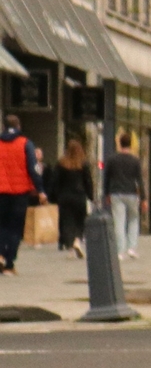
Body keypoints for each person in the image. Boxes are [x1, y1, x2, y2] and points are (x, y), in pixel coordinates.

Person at [0, 114, 42, 277]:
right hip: (20, 193)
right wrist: (40, 189)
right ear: (18, 127)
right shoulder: (26, 143)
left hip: (1, 192)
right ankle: (9, 263)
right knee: (15, 228)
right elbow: (33, 168)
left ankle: (0, 254)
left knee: (1, 225)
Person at [103, 131, 144, 259]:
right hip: (131, 193)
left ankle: (120, 251)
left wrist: (106, 194)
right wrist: (144, 198)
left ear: (119, 144)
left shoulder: (112, 160)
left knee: (119, 222)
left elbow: (107, 178)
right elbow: (139, 180)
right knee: (133, 220)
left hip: (116, 193)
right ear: (130, 144)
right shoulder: (135, 160)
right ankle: (131, 248)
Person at [47, 136, 91, 256]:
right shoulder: (83, 164)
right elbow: (88, 181)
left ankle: (69, 243)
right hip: (79, 196)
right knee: (80, 220)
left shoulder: (61, 163)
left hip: (65, 197)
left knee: (66, 221)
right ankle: (77, 240)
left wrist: (53, 196)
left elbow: (55, 181)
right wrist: (90, 196)